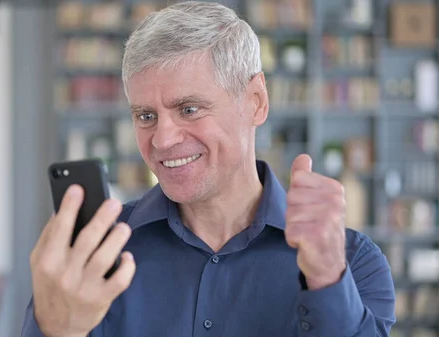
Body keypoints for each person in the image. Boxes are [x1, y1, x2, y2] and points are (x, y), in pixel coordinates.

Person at [21, 1, 396, 336]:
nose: (163, 139)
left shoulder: (352, 262)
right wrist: (56, 330)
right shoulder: (94, 259)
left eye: (189, 109)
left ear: (256, 101)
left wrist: (327, 278)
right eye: (146, 115)